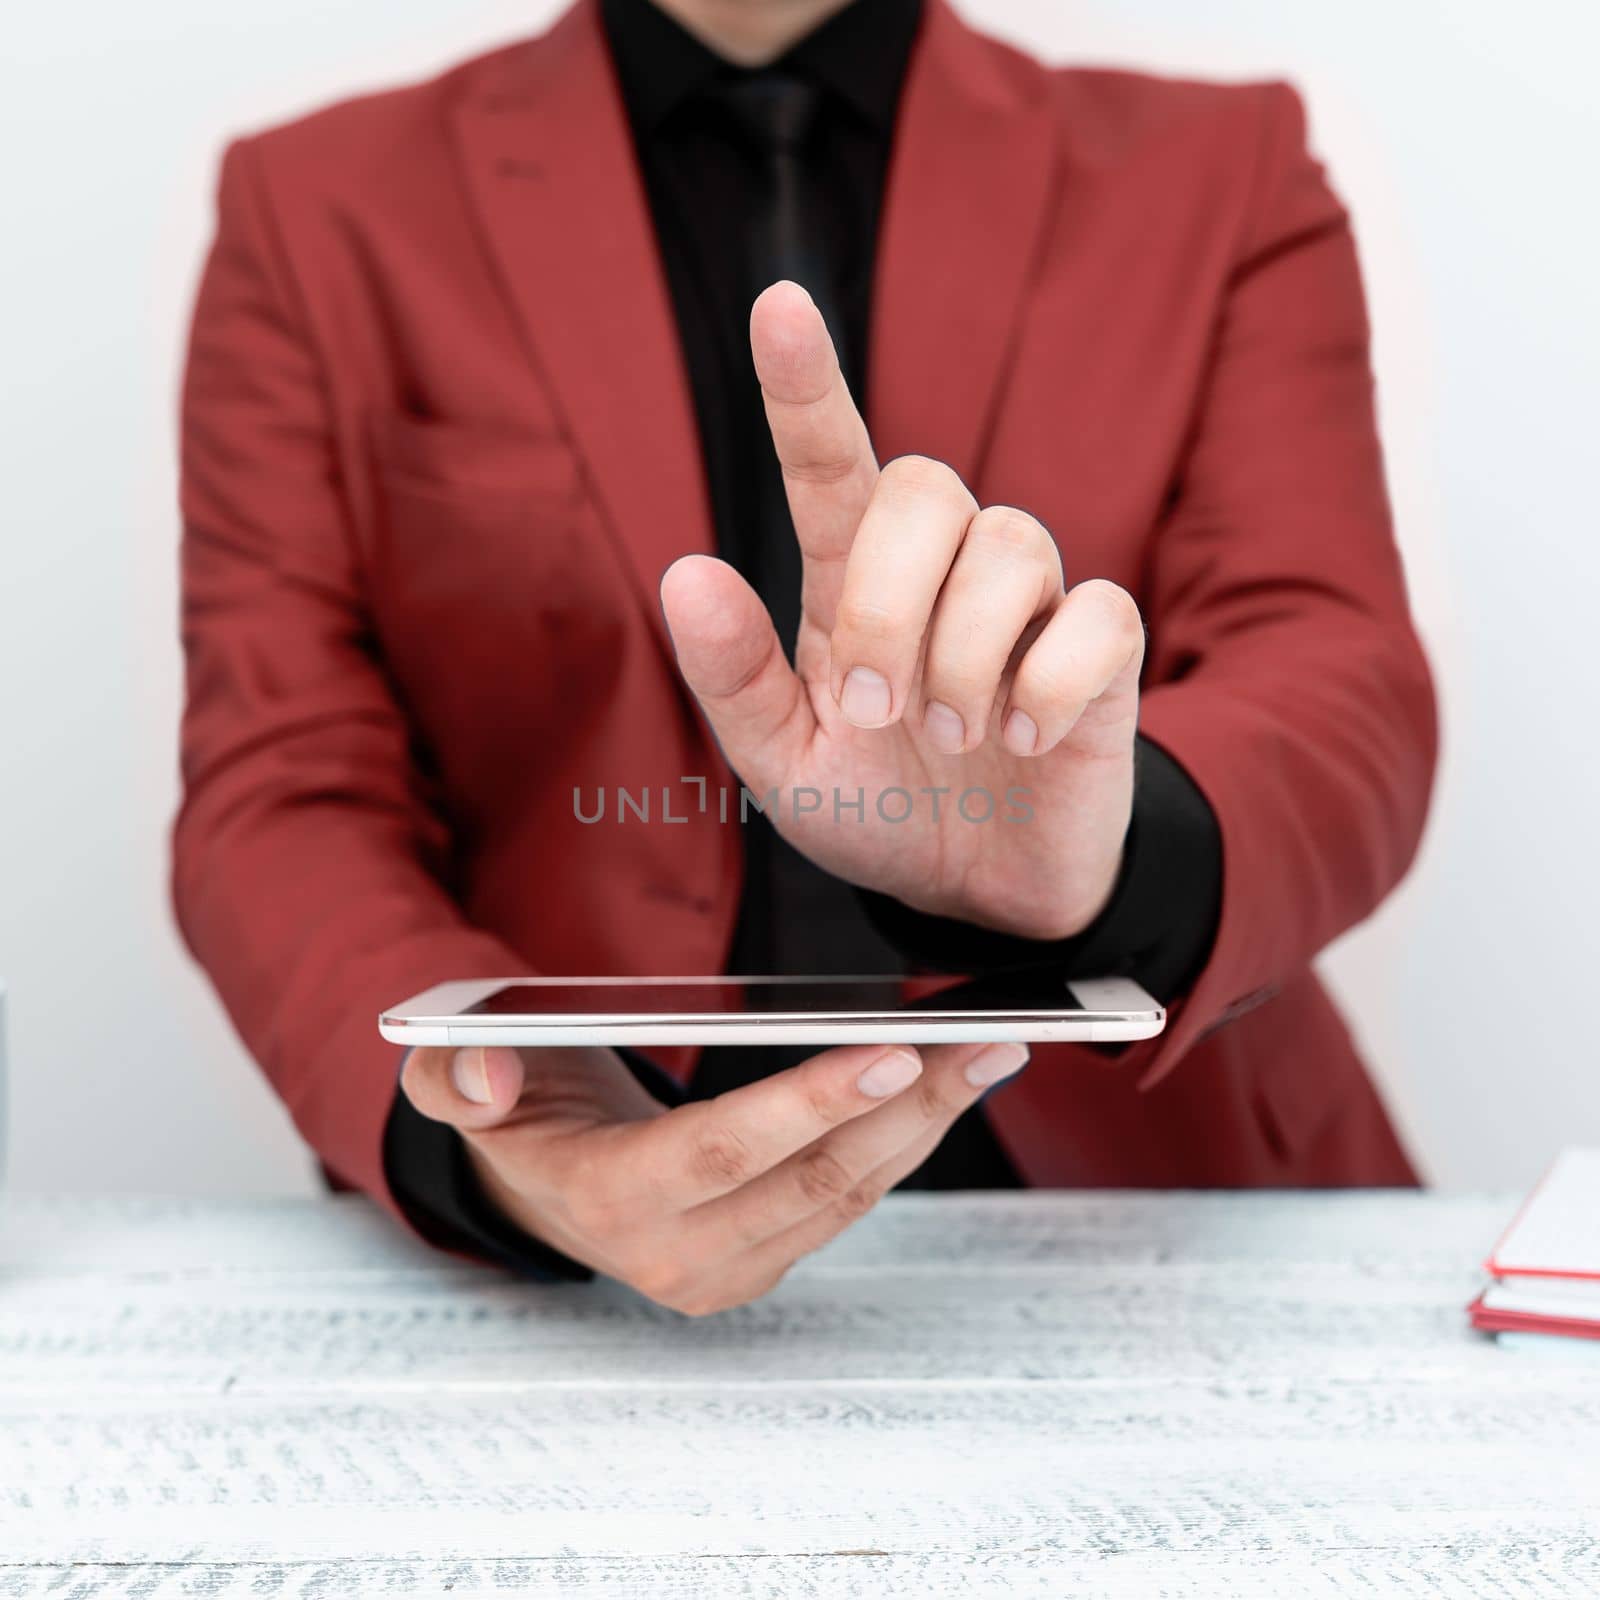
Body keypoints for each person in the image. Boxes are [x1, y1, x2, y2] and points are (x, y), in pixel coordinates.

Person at [174, 0, 1437, 1314]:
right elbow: (280, 779)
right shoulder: (319, 206)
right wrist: (503, 1128)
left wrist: (1105, 849)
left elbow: (1338, 673)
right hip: (579, 1214)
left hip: (1158, 1223)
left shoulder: (1221, 171)